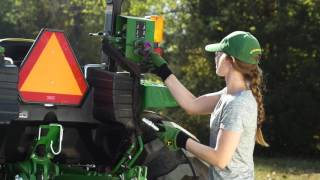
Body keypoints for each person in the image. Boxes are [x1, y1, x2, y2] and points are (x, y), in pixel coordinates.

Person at [136, 31, 269, 179]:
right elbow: (192, 105)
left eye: (219, 53)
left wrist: (179, 138)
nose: (215, 56)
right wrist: (163, 70)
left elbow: (220, 159)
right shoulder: (228, 95)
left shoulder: (237, 103)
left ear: (230, 60)